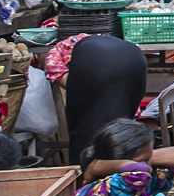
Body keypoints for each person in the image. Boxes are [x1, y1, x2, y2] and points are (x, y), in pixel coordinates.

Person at [60, 34, 148, 168]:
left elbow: (76, 112)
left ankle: (86, 170)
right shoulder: (83, 42)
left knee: (84, 126)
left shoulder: (56, 54)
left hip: (95, 64)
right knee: (123, 121)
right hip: (134, 58)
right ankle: (127, 163)